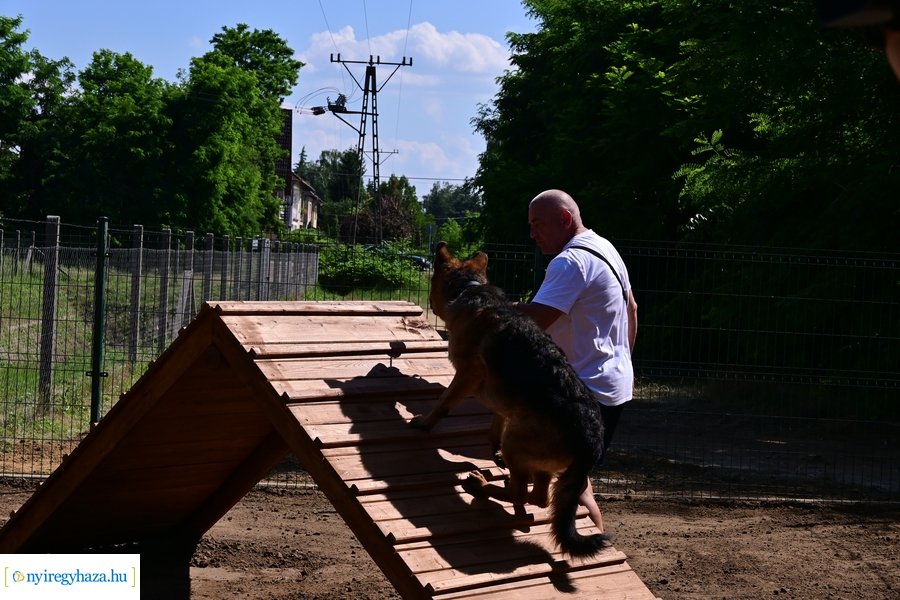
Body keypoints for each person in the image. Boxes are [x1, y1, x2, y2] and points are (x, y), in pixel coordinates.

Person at [514, 189, 638, 533]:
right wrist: (622, 361)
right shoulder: (605, 248)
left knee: (574, 488)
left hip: (582, 392)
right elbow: (632, 309)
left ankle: (593, 554)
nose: (532, 233)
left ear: (565, 219)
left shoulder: (570, 261)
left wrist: (492, 309)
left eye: (538, 224)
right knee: (578, 479)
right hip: (611, 388)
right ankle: (592, 548)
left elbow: (535, 320)